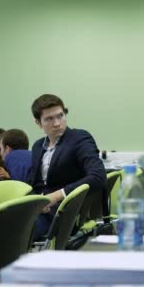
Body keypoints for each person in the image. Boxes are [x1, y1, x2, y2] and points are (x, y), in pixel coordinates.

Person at [28, 94, 107, 240]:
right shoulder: (38, 146)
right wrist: (34, 201)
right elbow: (33, 184)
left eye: (60, 116)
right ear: (38, 123)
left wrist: (55, 196)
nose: (57, 123)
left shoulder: (79, 138)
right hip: (39, 209)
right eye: (49, 119)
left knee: (15, 231)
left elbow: (98, 176)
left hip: (65, 212)